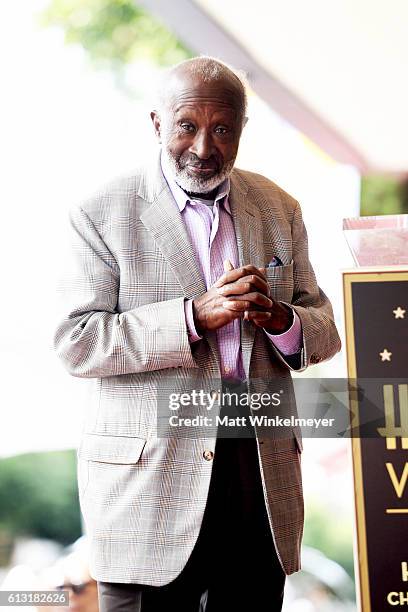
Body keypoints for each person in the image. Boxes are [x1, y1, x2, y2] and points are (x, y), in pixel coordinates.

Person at [54, 56, 341, 612]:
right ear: (157, 122)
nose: (205, 147)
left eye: (223, 129)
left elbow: (325, 331)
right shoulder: (100, 212)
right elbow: (77, 340)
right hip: (147, 485)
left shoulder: (280, 207)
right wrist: (191, 317)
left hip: (258, 471)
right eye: (187, 126)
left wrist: (282, 320)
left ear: (242, 130)